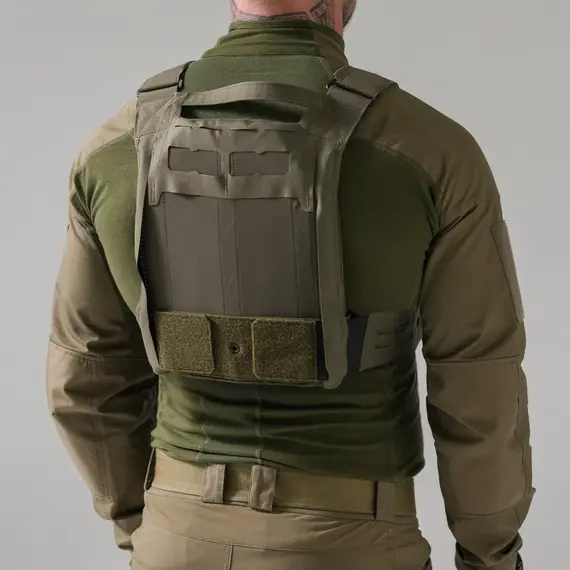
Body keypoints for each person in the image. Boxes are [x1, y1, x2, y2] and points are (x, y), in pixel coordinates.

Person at [46, 1, 533, 569]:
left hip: (173, 538)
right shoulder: (428, 150)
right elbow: (480, 387)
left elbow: (83, 380)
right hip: (350, 546)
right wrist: (491, 555)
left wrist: (146, 524)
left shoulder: (111, 150)